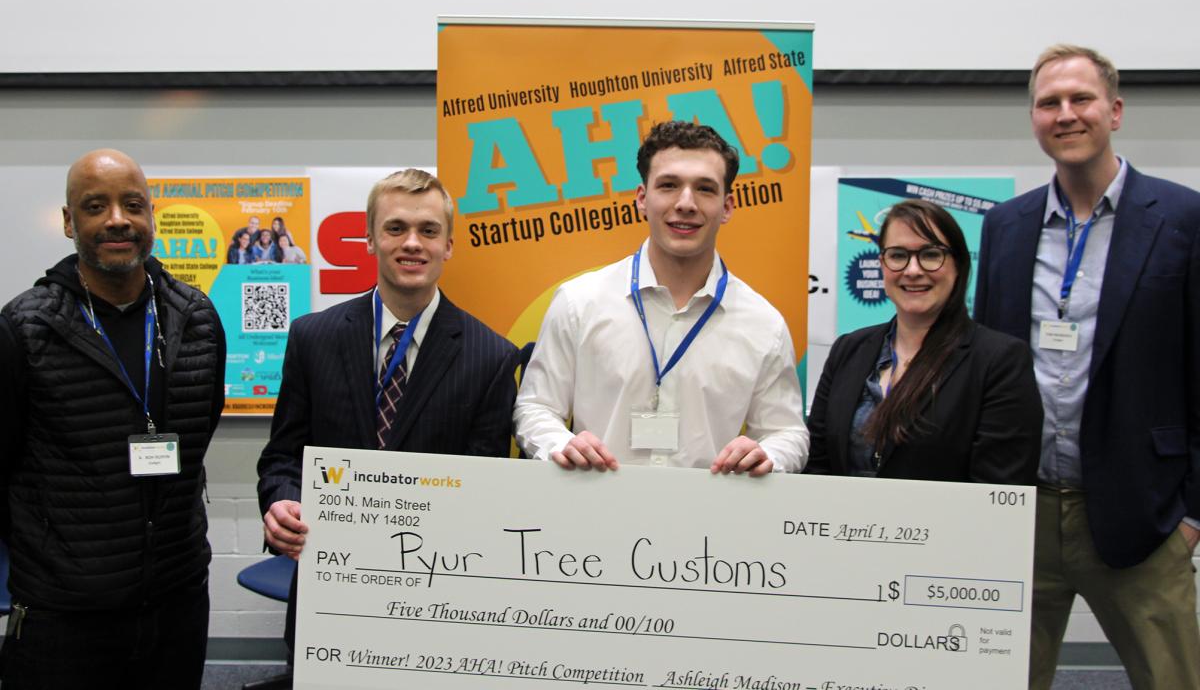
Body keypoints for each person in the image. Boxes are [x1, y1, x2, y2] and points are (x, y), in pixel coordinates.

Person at [974, 44, 1200, 690]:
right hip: (1023, 513)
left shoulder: (1183, 220)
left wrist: (1191, 517)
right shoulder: (1005, 227)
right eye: (1049, 103)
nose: (1065, 114)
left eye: (1081, 99)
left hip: (1144, 515)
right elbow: (991, 370)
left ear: (1116, 111)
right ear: (1034, 118)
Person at [257, 167, 519, 657]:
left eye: (428, 230)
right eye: (396, 228)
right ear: (371, 240)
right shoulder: (313, 338)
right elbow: (282, 458)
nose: (412, 243)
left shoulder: (491, 358)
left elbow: (487, 492)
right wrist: (279, 503)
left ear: (449, 245)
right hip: (330, 593)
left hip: (438, 601)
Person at [0, 149, 225, 689]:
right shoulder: (25, 328)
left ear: (151, 216)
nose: (117, 219)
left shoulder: (196, 318)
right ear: (68, 222)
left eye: (132, 204)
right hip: (66, 612)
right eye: (95, 206)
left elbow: (199, 436)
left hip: (177, 596)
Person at [514, 120, 808, 474]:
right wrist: (561, 445)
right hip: (592, 516)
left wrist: (770, 455)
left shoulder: (764, 324)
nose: (685, 203)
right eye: (668, 185)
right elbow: (535, 408)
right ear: (642, 198)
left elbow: (787, 432)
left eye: (705, 189)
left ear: (727, 206)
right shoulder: (579, 303)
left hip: (708, 523)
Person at [804, 199, 1041, 482]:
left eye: (930, 254)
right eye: (898, 255)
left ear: (958, 265)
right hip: (844, 525)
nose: (913, 270)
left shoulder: (1000, 360)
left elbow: (997, 492)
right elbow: (817, 467)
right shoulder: (849, 350)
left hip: (946, 527)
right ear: (881, 264)